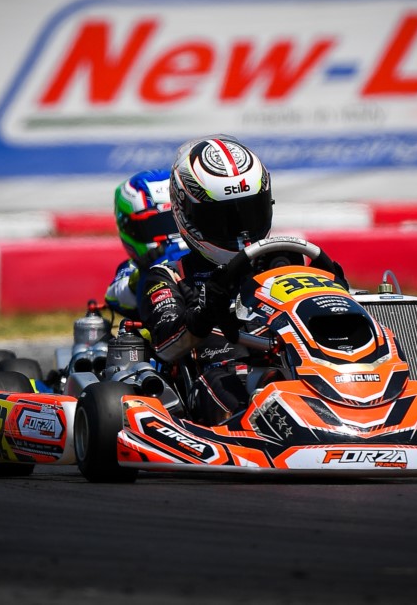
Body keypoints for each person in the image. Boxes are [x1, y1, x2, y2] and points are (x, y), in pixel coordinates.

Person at [139, 135, 344, 426]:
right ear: (185, 214)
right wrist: (205, 312)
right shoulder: (170, 275)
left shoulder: (285, 261)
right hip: (224, 376)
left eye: (251, 213)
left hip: (306, 368)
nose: (243, 234)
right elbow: (166, 344)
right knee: (240, 386)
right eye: (224, 220)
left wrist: (336, 294)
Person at [105, 169, 188, 320]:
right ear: (129, 228)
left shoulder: (209, 249)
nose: (173, 231)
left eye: (180, 219)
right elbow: (114, 295)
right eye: (157, 226)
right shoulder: (133, 269)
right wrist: (138, 277)